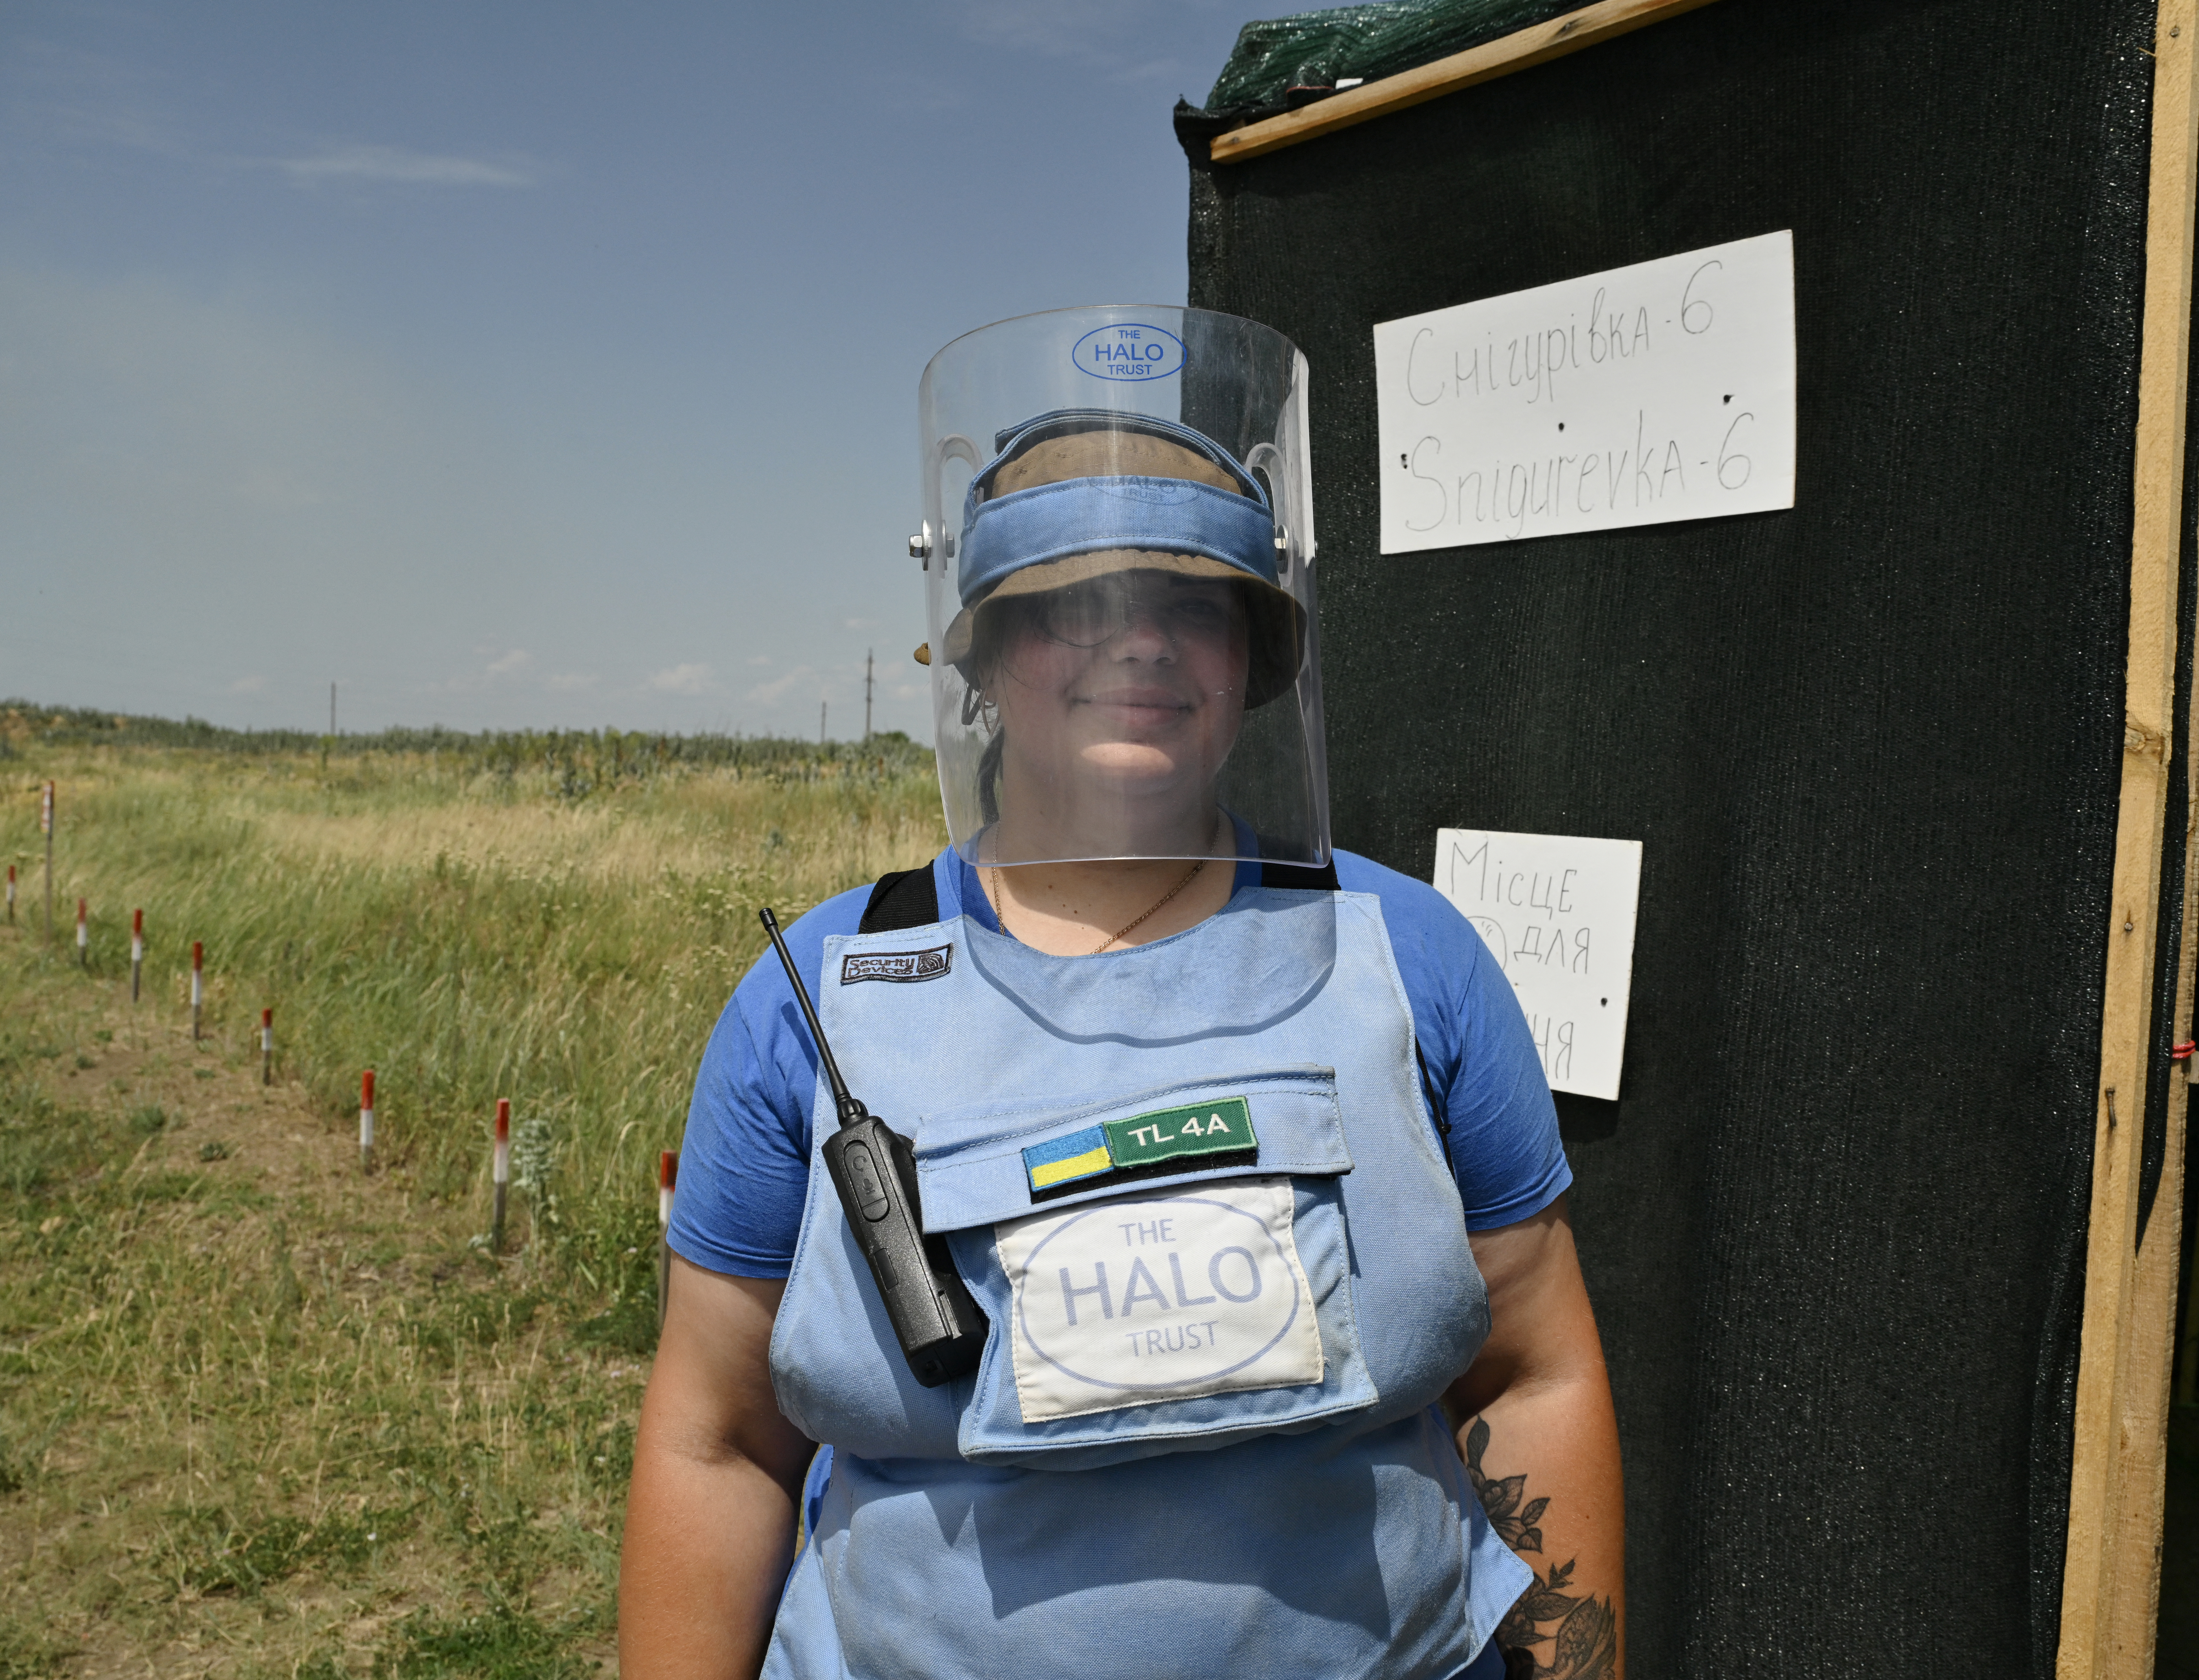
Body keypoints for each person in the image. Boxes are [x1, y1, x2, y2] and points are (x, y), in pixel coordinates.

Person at [619, 308, 1624, 1680]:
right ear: (978, 653)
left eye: (1191, 607)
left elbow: (1533, 1372)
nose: (1136, 643)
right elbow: (718, 1438)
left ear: (1257, 658)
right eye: (1068, 608)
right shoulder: (817, 1001)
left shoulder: (1410, 957)